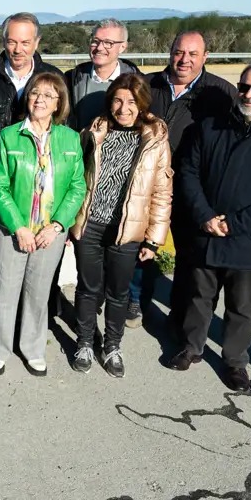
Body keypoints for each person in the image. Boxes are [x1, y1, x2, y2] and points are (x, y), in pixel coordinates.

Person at [166, 60, 251, 392]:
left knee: (241, 306)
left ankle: (235, 362)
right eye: (244, 87)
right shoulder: (209, 127)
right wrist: (204, 215)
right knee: (199, 295)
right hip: (206, 230)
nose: (249, 94)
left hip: (249, 239)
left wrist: (234, 223)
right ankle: (191, 347)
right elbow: (188, 173)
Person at [67, 73, 171, 378]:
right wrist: (70, 221)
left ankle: (112, 346)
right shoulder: (94, 132)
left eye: (131, 102)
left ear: (142, 104)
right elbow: (75, 179)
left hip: (127, 231)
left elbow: (162, 192)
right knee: (88, 288)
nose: (123, 108)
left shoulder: (154, 140)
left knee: (118, 292)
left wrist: (153, 239)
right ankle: (85, 342)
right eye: (117, 100)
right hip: (90, 225)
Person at [0, 71, 87, 375]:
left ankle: (32, 347)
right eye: (34, 93)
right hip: (10, 230)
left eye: (48, 95)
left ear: (58, 103)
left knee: (39, 293)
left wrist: (57, 226)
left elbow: (77, 187)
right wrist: (18, 227)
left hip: (50, 233)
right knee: (4, 290)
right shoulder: (8, 136)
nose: (40, 99)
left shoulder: (70, 139)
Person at [148, 29, 239, 331]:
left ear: (205, 57)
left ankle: (181, 321)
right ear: (170, 52)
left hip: (192, 189)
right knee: (141, 249)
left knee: (190, 259)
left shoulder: (220, 93)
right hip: (148, 188)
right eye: (179, 52)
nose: (184, 59)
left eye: (192, 54)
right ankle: (137, 303)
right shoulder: (147, 85)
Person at [0, 13, 64, 129]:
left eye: (25, 43)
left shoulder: (55, 77)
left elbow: (64, 121)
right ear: (4, 42)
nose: (18, 50)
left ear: (37, 42)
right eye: (12, 42)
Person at [65, 18, 140, 129]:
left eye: (108, 43)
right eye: (95, 41)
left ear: (122, 47)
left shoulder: (139, 83)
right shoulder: (70, 80)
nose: (99, 47)